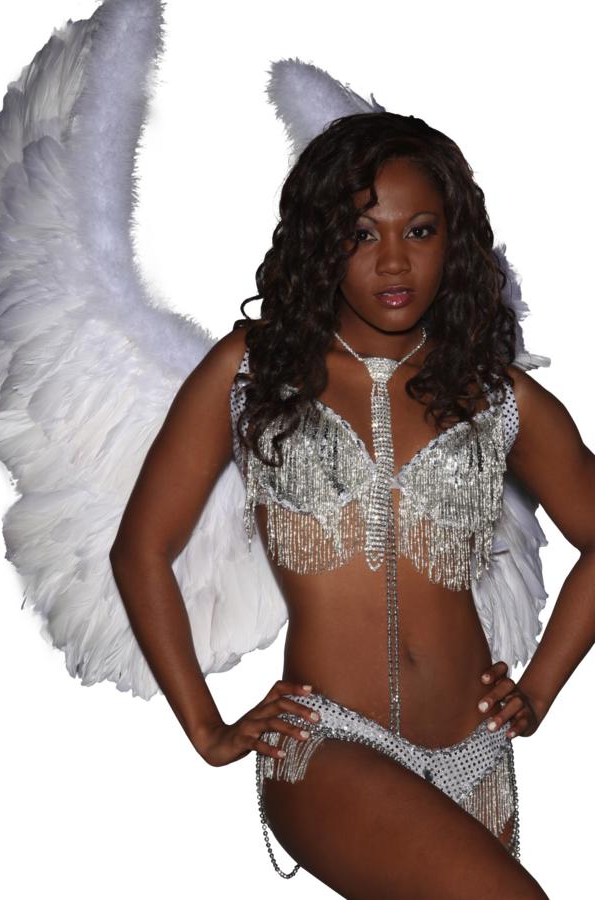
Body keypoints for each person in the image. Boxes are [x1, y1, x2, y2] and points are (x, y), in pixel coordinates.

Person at [109, 111, 595, 897]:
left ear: (454, 241)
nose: (394, 261)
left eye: (421, 231)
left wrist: (538, 690)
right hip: (327, 742)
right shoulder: (251, 373)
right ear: (321, 242)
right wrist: (206, 726)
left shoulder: (497, 396)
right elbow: (140, 550)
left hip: (477, 757)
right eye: (362, 234)